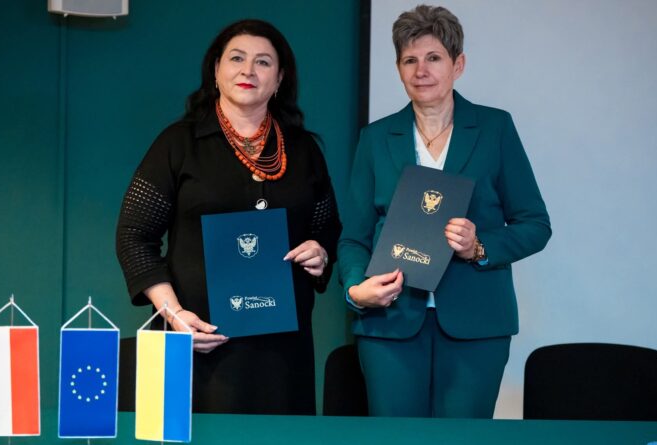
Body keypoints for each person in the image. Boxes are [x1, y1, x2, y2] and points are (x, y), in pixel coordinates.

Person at [116, 19, 341, 415]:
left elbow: (327, 229)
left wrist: (320, 253)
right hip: (196, 339)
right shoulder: (177, 143)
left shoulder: (303, 149)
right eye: (236, 58)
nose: (248, 70)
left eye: (263, 62)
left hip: (281, 351)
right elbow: (134, 236)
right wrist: (173, 314)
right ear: (216, 70)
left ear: (280, 78)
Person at [338, 5, 551, 418]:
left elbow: (535, 225)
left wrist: (479, 246)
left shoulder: (495, 129)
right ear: (398, 69)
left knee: (463, 441)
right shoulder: (375, 138)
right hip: (390, 323)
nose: (421, 70)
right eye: (409, 60)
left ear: (458, 64)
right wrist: (355, 289)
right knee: (396, 441)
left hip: (477, 325)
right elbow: (353, 238)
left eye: (433, 58)